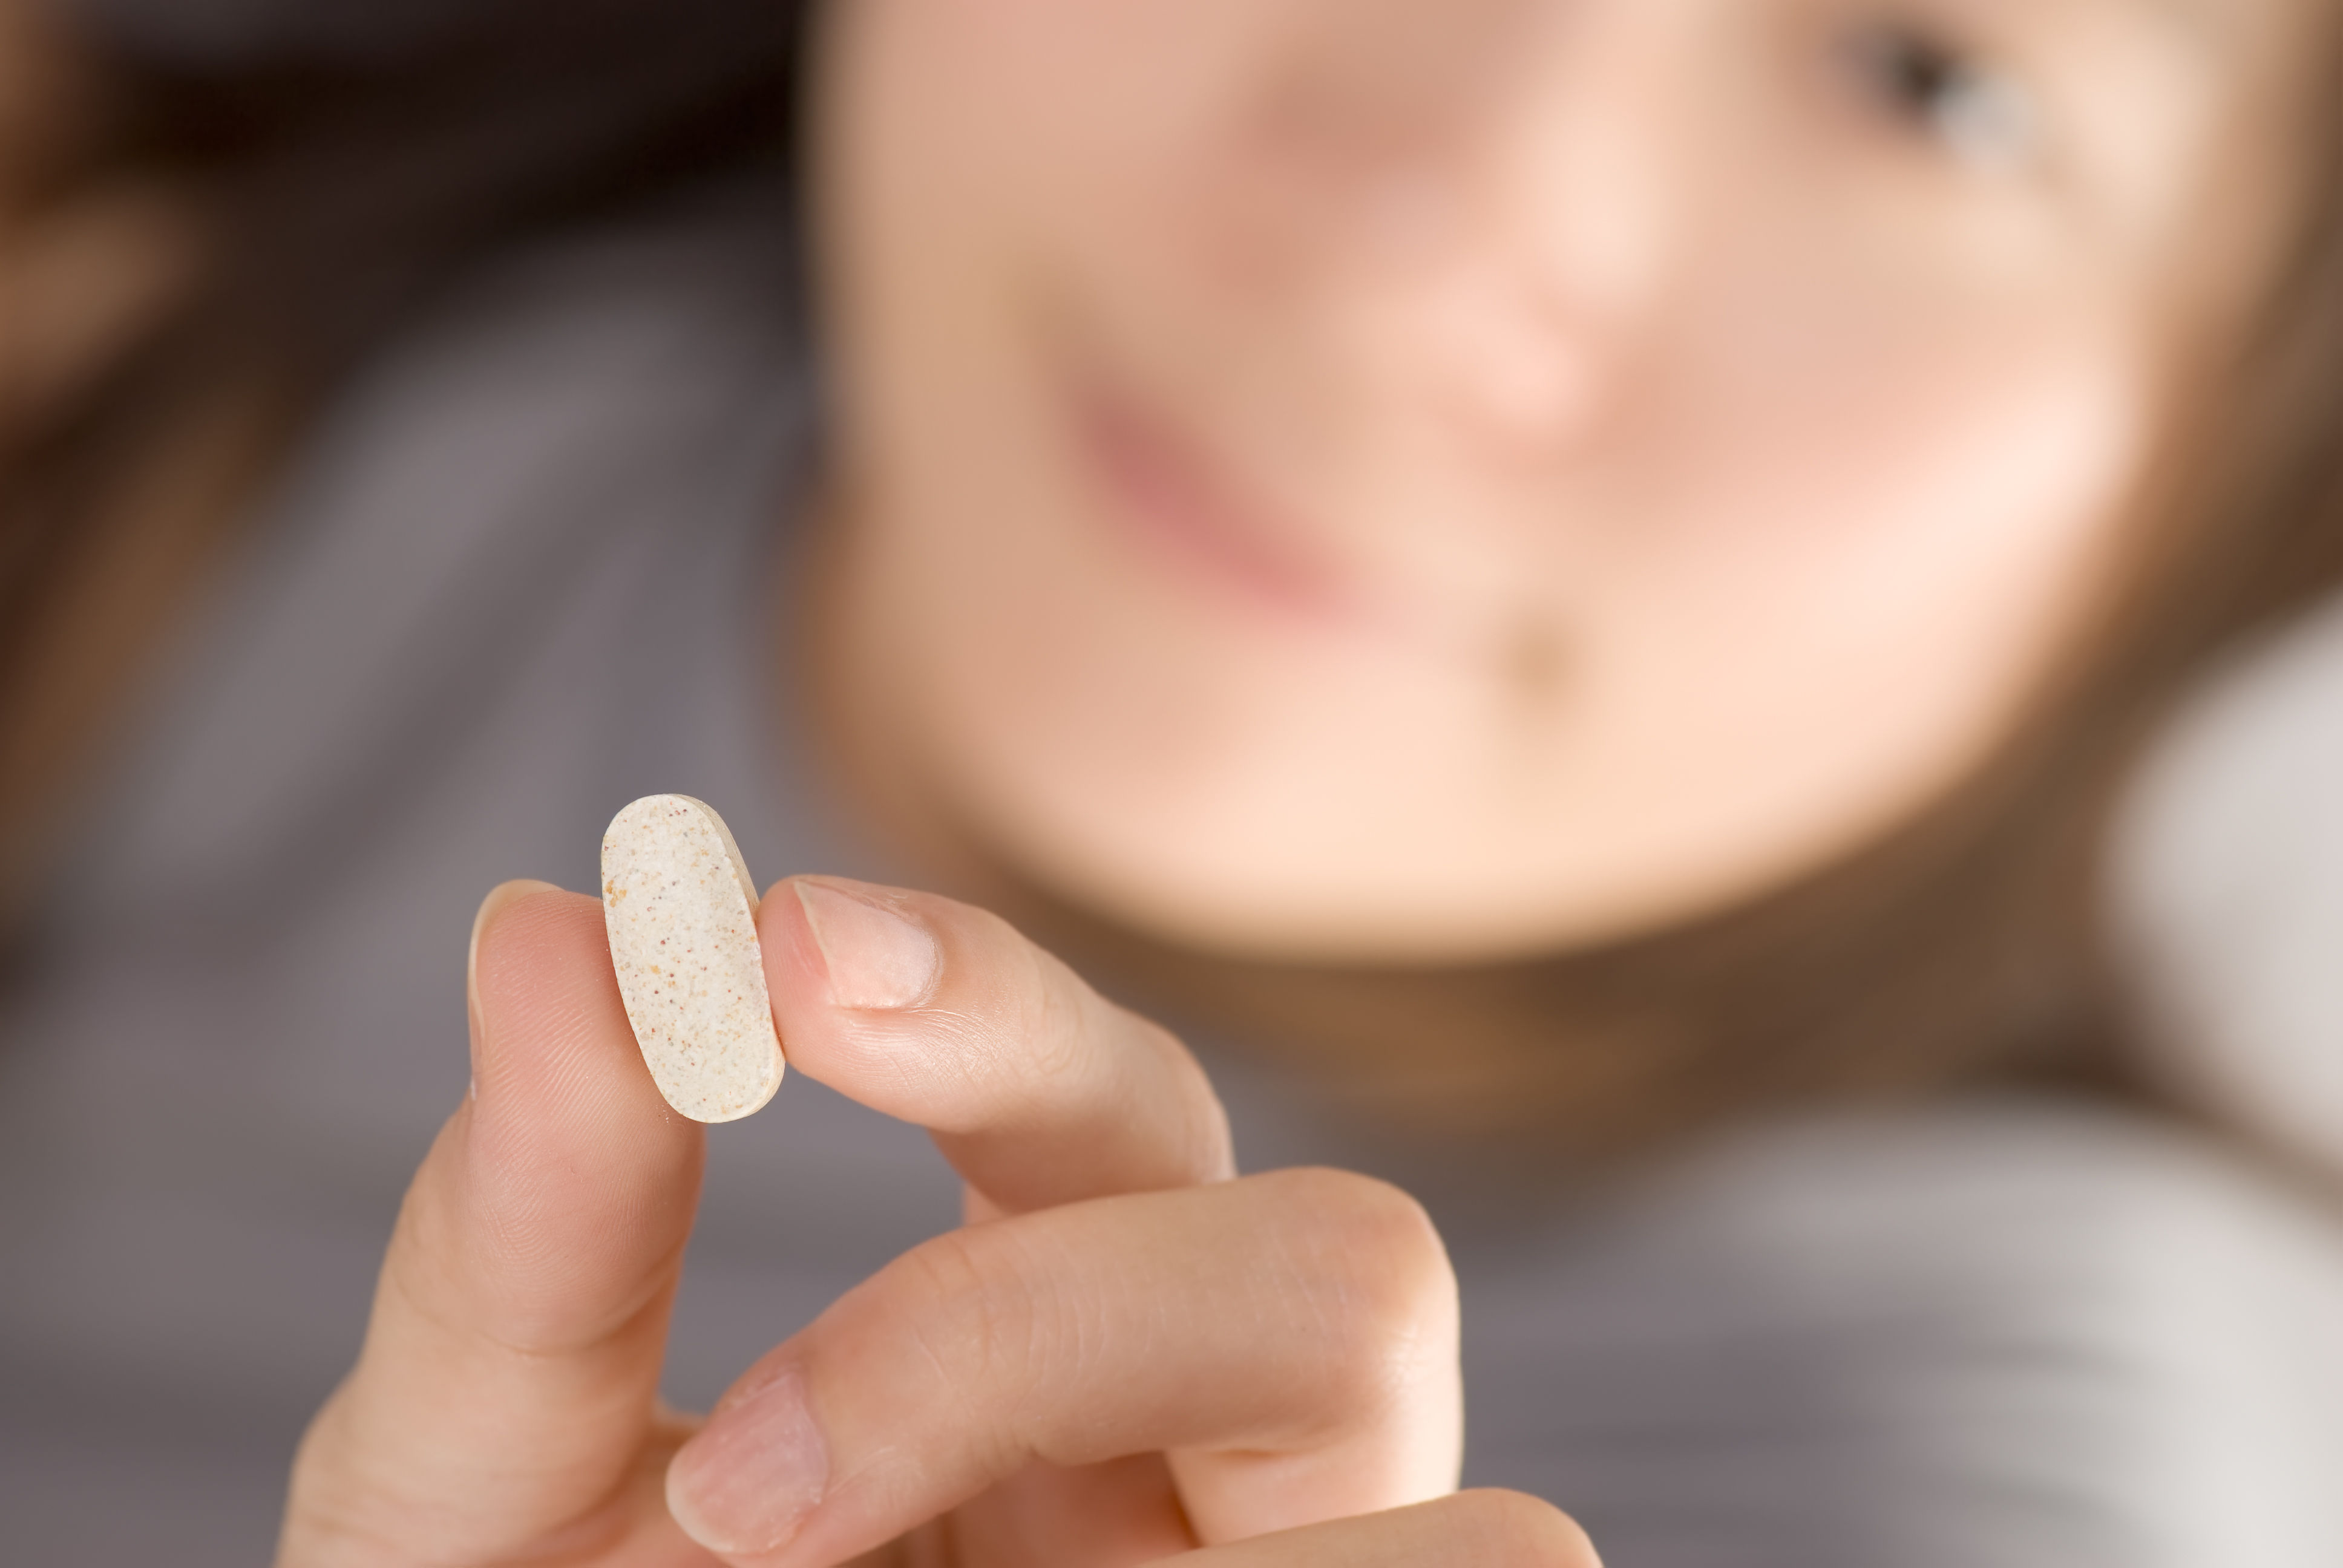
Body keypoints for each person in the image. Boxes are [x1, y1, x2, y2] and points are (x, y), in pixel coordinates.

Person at [5, 0, 2342, 1563]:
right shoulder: (228, 285)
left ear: (2242, 492)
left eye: (1937, 84)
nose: (1429, 235)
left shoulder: (2013, 1473)